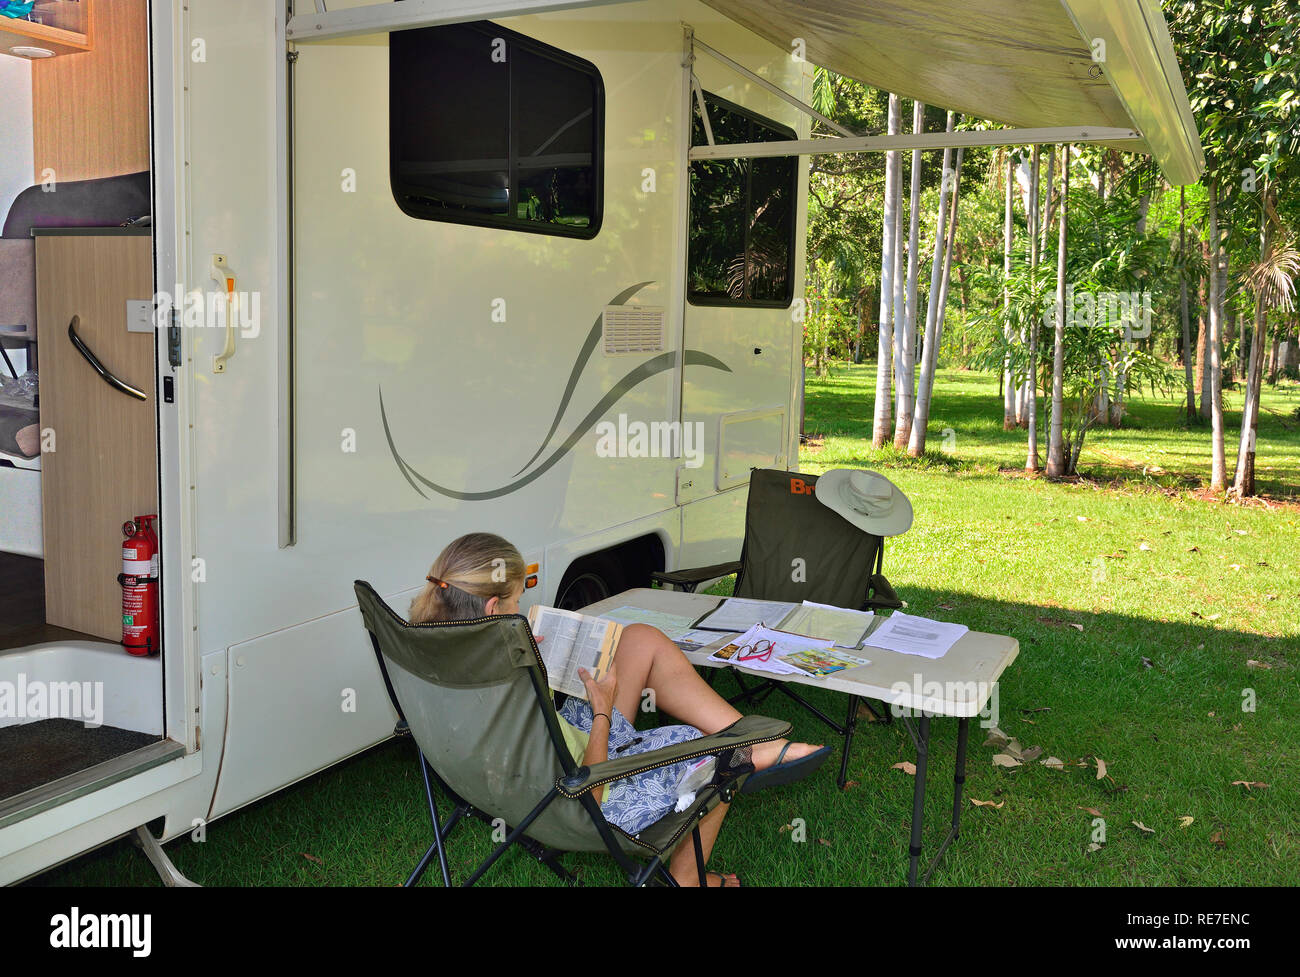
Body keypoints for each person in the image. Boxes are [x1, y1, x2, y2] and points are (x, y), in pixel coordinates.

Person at [410, 532, 829, 887]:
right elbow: (588, 789)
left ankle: (760, 738)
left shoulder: (431, 651)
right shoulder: (506, 680)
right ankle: (692, 873)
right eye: (517, 602)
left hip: (511, 778)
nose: (520, 611)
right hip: (574, 796)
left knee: (638, 641)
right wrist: (602, 712)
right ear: (492, 609)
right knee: (715, 755)